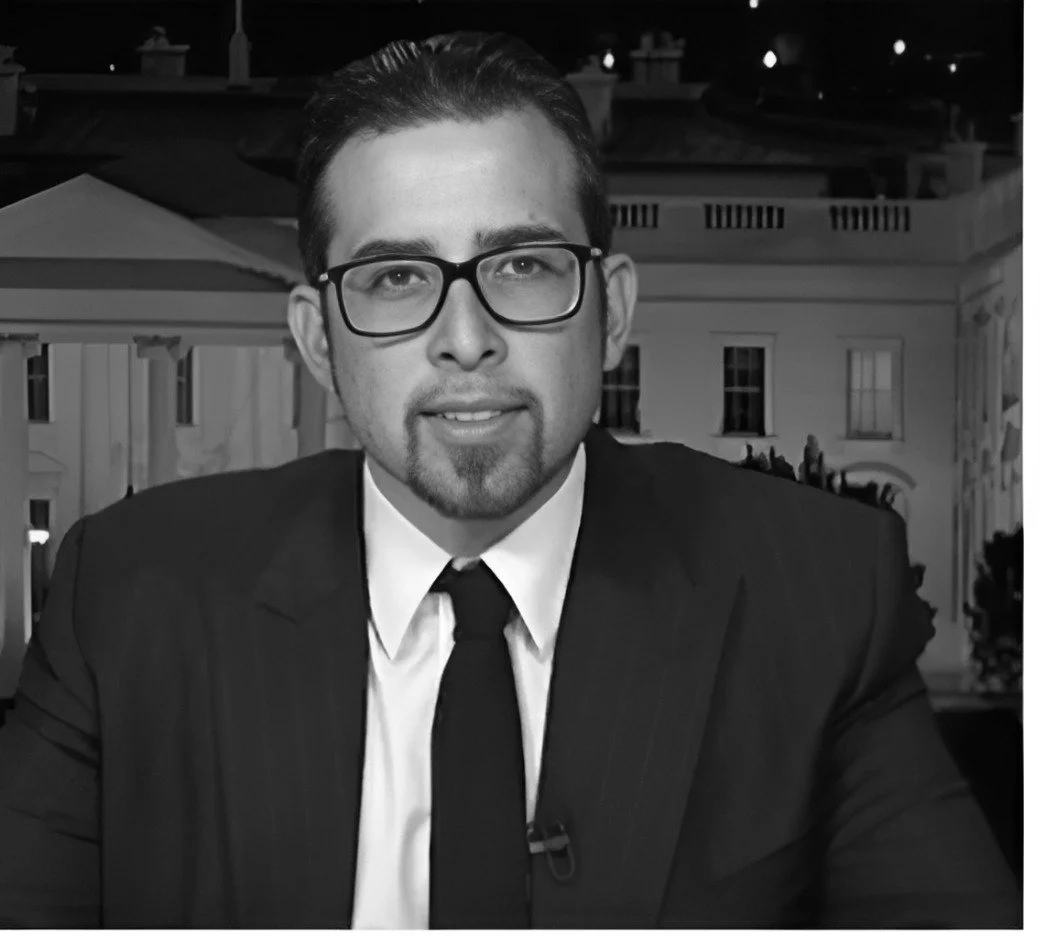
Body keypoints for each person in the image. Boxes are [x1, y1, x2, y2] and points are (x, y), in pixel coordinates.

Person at [0, 32, 1019, 928]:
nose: (466, 340)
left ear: (609, 311)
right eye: (396, 277)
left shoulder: (815, 594)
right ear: (317, 338)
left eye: (522, 265)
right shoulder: (128, 598)